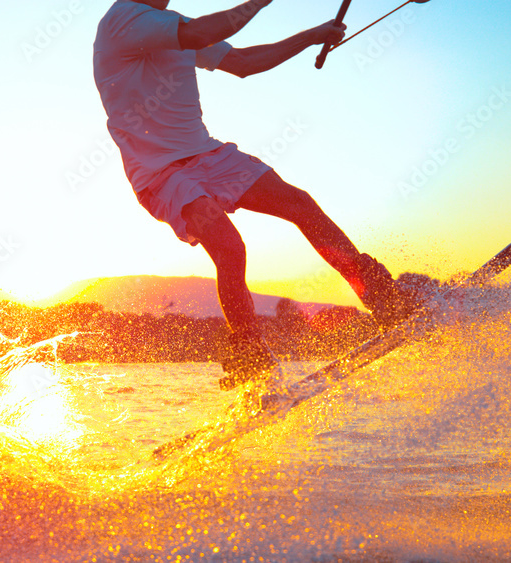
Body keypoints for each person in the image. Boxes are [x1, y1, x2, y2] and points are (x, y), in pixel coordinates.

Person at [93, 0, 417, 392]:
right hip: (161, 175)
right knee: (230, 248)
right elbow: (201, 34)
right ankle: (247, 352)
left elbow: (245, 62)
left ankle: (383, 298)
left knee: (300, 205)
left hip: (210, 155)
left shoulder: (169, 25)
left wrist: (312, 35)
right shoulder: (124, 21)